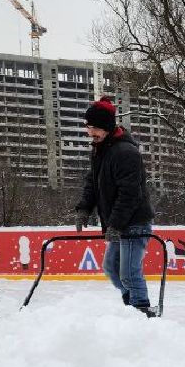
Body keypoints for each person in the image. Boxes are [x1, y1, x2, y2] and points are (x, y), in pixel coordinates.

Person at [73, 97, 157, 316]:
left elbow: (130, 194)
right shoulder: (101, 150)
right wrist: (84, 209)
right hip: (119, 223)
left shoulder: (126, 153)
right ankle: (132, 306)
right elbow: (93, 182)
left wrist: (116, 224)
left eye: (93, 128)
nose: (90, 133)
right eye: (88, 127)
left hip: (134, 222)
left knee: (129, 273)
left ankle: (142, 312)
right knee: (111, 268)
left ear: (107, 128)